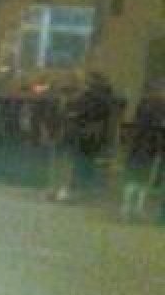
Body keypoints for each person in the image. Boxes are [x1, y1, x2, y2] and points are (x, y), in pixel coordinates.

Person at [63, 71, 117, 201]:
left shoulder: (90, 97)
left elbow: (79, 111)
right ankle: (86, 187)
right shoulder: (106, 97)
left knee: (82, 160)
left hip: (86, 133)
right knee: (88, 161)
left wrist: (74, 113)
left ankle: (79, 187)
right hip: (95, 134)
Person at [122, 80, 165, 221]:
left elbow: (136, 125)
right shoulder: (159, 107)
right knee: (143, 180)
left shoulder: (143, 104)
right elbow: (158, 128)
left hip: (138, 146)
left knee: (134, 177)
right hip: (150, 147)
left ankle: (127, 208)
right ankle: (136, 209)